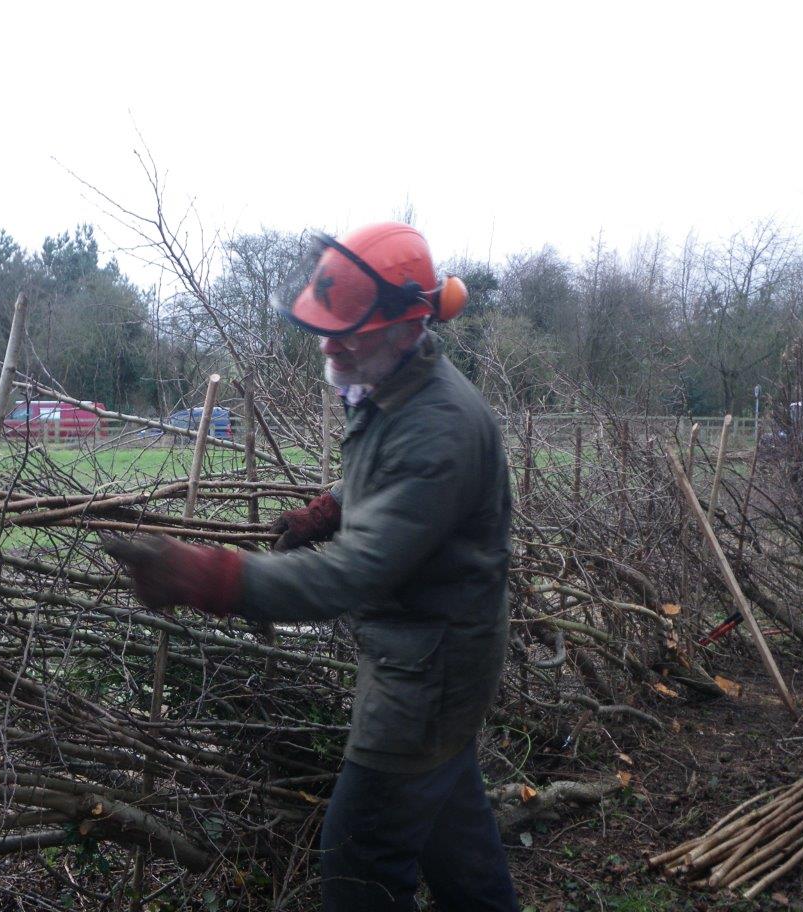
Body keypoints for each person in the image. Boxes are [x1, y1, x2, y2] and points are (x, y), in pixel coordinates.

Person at [105, 221, 518, 912]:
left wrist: (210, 577)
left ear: (406, 322)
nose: (327, 344)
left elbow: (352, 574)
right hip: (438, 658)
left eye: (346, 329)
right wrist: (329, 507)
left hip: (427, 674)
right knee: (458, 849)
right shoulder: (398, 392)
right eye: (324, 326)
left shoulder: (439, 425)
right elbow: (385, 478)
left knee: (358, 861)